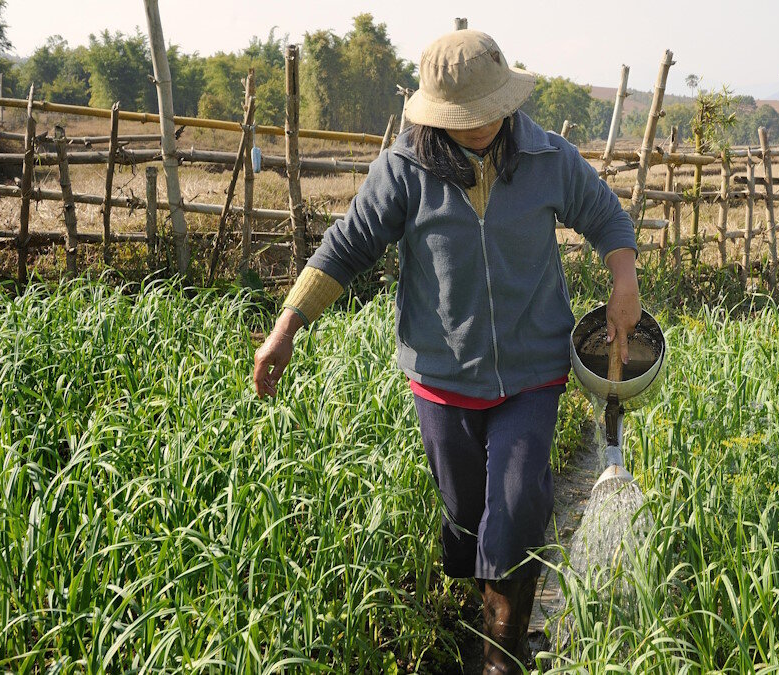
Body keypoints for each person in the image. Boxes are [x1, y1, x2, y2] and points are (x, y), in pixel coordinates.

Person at [251, 29, 641, 673]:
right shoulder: (404, 170)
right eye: (465, 117)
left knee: (516, 505)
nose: (482, 126)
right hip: (440, 373)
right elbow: (345, 247)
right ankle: (479, 613)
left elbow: (605, 216)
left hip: (532, 369)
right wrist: (286, 327)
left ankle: (501, 655)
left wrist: (623, 280)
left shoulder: (548, 157)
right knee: (466, 515)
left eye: (490, 111)